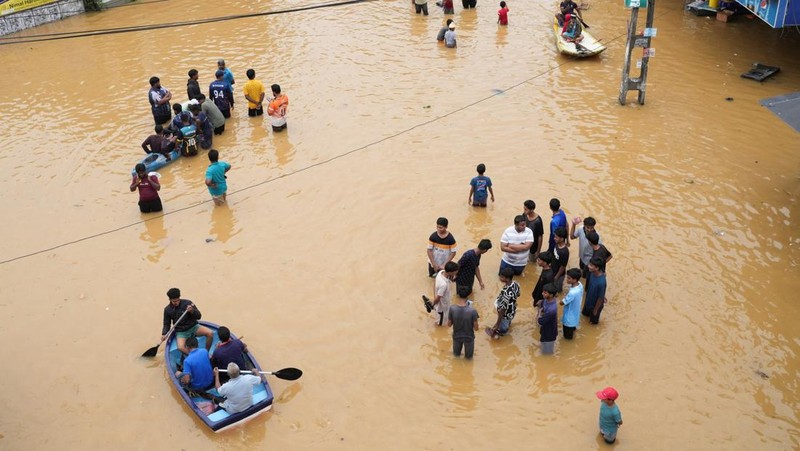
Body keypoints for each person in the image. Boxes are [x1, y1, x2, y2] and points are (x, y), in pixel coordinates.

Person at [161, 288, 213, 355]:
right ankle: (193, 356)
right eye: (174, 301)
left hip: (193, 327)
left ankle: (206, 352)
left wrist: (192, 311)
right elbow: (166, 324)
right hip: (181, 332)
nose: (176, 303)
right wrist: (164, 333)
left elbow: (199, 316)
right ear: (170, 300)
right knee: (180, 347)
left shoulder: (188, 303)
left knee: (210, 333)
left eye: (177, 300)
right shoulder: (167, 310)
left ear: (179, 298)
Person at [486, 267, 519, 339]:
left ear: (507, 279)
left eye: (501, 277)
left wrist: (497, 324)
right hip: (512, 310)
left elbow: (502, 310)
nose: (500, 278)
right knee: (508, 322)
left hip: (505, 315)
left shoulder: (506, 294)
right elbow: (517, 295)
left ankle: (501, 335)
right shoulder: (515, 284)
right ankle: (506, 328)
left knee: (502, 330)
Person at [447, 289, 479, 358]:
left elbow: (449, 324)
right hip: (469, 337)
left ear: (458, 296)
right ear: (468, 297)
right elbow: (476, 328)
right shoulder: (473, 311)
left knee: (456, 356)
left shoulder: (452, 308)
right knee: (469, 358)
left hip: (457, 336)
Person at [432, 261, 459, 326]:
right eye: (455, 271)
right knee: (440, 324)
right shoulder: (443, 284)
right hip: (442, 309)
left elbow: (434, 284)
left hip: (444, 305)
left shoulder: (441, 272)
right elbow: (438, 298)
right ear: (450, 272)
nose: (457, 272)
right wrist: (433, 304)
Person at [582, 257, 607, 324]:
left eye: (591, 265)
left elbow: (600, 298)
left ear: (597, 268)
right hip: (588, 301)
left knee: (592, 323)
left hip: (595, 306)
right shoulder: (592, 273)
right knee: (584, 315)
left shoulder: (601, 282)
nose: (588, 266)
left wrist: (595, 310)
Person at [560, 268, 583, 339]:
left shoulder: (572, 293)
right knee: (572, 330)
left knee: (567, 338)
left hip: (569, 319)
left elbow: (562, 303)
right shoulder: (580, 285)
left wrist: (558, 300)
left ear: (575, 280)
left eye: (569, 278)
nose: (566, 279)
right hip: (575, 315)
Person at [538, 283, 558, 354]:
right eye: (543, 291)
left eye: (545, 293)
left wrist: (539, 314)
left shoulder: (551, 310)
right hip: (545, 328)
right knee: (543, 344)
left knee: (548, 352)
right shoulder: (546, 299)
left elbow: (540, 321)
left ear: (551, 295)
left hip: (549, 332)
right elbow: (542, 304)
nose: (542, 293)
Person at [551, 227, 570, 292]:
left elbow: (563, 266)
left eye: (556, 237)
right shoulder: (557, 244)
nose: (554, 238)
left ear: (562, 239)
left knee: (557, 289)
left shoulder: (564, 252)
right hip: (553, 270)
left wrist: (557, 276)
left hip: (559, 274)